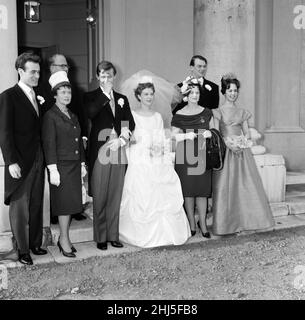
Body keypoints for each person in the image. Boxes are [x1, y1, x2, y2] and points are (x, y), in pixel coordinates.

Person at [119, 77, 191, 248]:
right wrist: (141, 146)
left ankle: (168, 234)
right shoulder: (132, 115)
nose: (149, 97)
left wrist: (159, 150)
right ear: (138, 96)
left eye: (151, 94)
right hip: (140, 160)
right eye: (145, 94)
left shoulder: (158, 116)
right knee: (142, 195)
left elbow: (161, 137)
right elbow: (128, 138)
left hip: (157, 159)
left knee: (163, 194)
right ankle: (139, 234)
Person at [212, 74, 275, 235]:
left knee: (245, 186)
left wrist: (242, 142)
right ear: (224, 92)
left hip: (242, 153)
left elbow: (247, 133)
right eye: (230, 90)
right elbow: (215, 133)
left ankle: (246, 222)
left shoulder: (242, 112)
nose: (233, 93)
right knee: (226, 187)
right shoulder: (217, 112)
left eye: (235, 90)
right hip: (226, 153)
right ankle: (226, 225)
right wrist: (228, 143)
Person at [0, 52, 47, 265]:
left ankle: (35, 243)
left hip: (38, 158)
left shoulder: (38, 96)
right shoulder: (8, 96)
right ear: (20, 71)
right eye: (33, 71)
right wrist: (10, 162)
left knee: (36, 203)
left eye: (38, 71)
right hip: (19, 161)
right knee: (20, 208)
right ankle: (22, 249)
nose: (37, 75)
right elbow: (4, 132)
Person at [84, 60, 135, 251]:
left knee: (115, 192)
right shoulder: (90, 97)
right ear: (98, 77)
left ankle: (113, 235)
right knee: (101, 194)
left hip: (118, 148)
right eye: (103, 75)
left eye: (109, 75)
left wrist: (123, 139)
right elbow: (91, 113)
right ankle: (101, 236)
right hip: (101, 149)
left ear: (114, 76)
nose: (106, 79)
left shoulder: (122, 98)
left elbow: (129, 122)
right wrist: (105, 95)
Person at [37, 53, 87, 222]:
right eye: (62, 66)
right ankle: (54, 213)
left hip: (72, 145)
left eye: (67, 66)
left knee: (72, 188)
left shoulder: (74, 90)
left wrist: (84, 138)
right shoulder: (41, 89)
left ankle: (74, 210)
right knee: (56, 187)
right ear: (51, 67)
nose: (66, 69)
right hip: (52, 146)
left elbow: (79, 114)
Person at [42, 71, 86, 258]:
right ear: (55, 94)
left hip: (74, 165)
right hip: (60, 166)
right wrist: (52, 168)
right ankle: (64, 240)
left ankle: (64, 237)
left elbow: (78, 141)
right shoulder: (50, 116)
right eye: (62, 92)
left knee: (71, 204)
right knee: (64, 205)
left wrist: (83, 162)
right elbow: (49, 143)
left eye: (68, 92)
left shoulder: (73, 115)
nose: (67, 95)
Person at [171, 80, 214, 238]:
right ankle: (190, 222)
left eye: (197, 93)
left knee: (202, 190)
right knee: (188, 191)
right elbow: (173, 135)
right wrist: (184, 135)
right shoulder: (179, 114)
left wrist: (211, 134)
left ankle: (202, 223)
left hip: (202, 153)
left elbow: (215, 130)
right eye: (192, 93)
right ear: (186, 96)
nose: (195, 95)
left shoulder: (207, 112)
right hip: (185, 154)